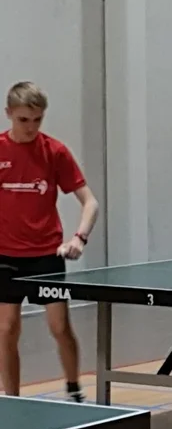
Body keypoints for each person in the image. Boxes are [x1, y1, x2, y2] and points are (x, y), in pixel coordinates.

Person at [0, 81, 100, 401]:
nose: (30, 127)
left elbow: (90, 202)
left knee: (60, 327)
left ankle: (73, 390)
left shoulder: (54, 151)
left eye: (37, 120)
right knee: (6, 329)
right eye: (23, 120)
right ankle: (12, 399)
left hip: (46, 255)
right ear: (8, 114)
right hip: (5, 256)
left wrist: (79, 239)